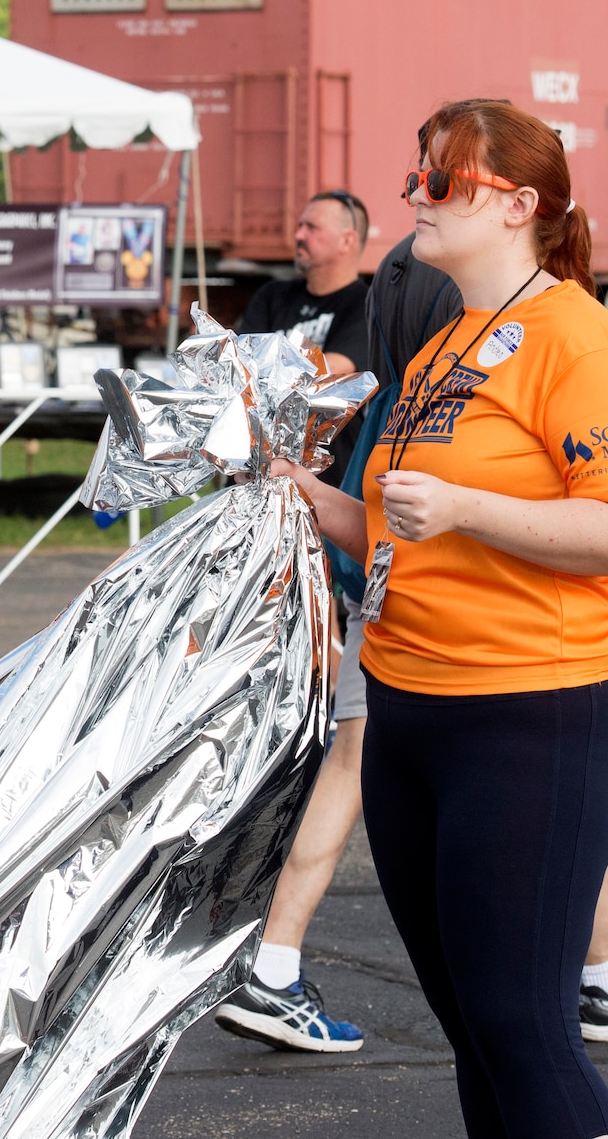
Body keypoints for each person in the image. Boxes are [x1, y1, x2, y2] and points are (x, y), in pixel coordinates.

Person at [276, 99, 608, 1137]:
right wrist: (305, 499)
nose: (413, 195)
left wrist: (465, 507)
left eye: (439, 181)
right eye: (415, 174)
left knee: (519, 1025)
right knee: (472, 1025)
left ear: (518, 205)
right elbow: (405, 532)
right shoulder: (450, 340)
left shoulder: (579, 343)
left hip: (527, 715)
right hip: (412, 711)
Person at [216, 227, 460, 1053]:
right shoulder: (442, 396)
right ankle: (273, 960)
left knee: (349, 770)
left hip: (379, 600)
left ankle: (273, 960)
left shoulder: (401, 390)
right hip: (431, 617)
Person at [238, 191, 371, 483]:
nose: (298, 234)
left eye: (311, 227)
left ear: (346, 240)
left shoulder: (366, 304)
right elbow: (239, 368)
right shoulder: (272, 296)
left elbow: (332, 371)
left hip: (329, 482)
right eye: (300, 226)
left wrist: (266, 377)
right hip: (257, 473)